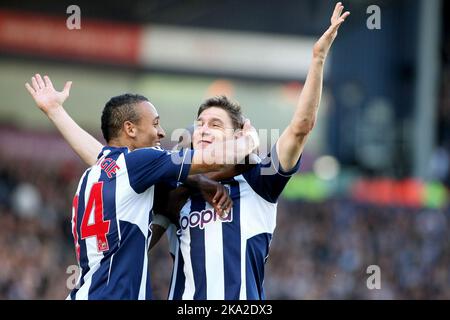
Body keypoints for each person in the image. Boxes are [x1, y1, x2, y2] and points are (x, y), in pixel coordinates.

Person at [27, 2, 349, 300]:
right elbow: (110, 163)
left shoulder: (260, 181)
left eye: (215, 124)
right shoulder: (173, 189)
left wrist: (318, 59)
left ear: (237, 134)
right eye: (200, 123)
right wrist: (193, 187)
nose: (203, 129)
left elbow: (301, 127)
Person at [25, 75, 258, 300]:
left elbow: (95, 153)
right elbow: (213, 159)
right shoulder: (140, 162)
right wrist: (251, 139)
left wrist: (56, 111)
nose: (162, 132)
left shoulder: (96, 172)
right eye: (155, 124)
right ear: (130, 129)